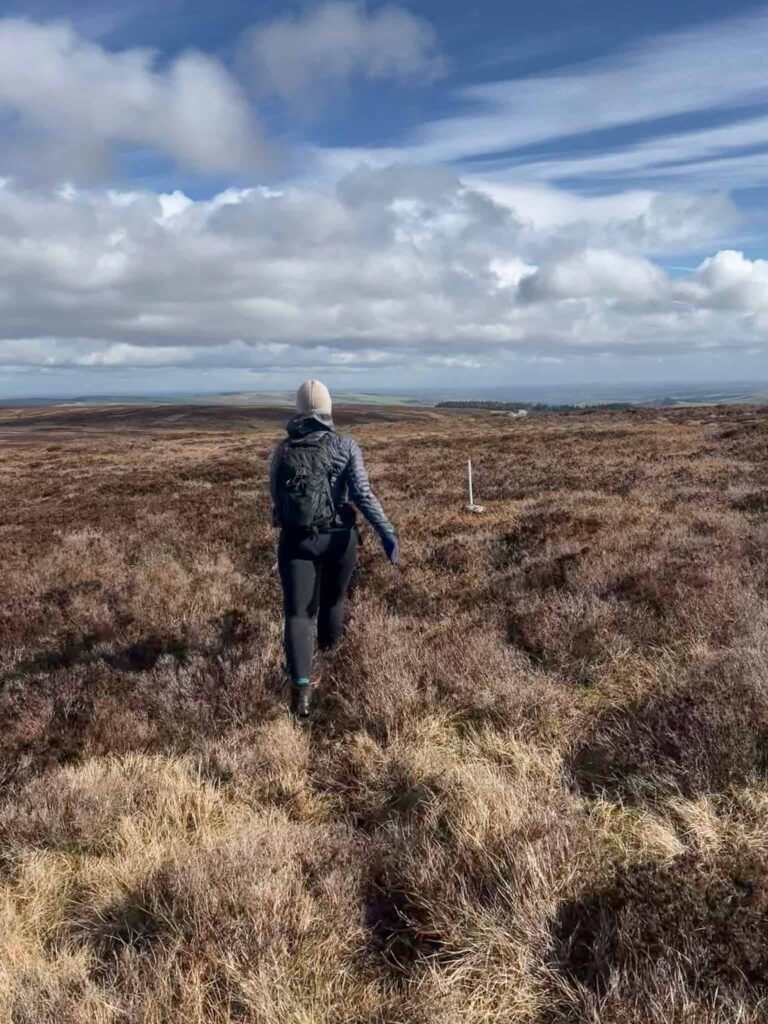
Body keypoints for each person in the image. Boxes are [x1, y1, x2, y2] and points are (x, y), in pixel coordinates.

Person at [270, 380, 399, 721]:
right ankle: (330, 662)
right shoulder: (345, 445)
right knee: (332, 602)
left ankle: (301, 696)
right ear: (328, 409)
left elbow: (276, 498)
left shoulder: (282, 450)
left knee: (298, 614)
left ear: (298, 409)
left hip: (297, 542)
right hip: (340, 540)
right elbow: (362, 495)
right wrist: (386, 531)